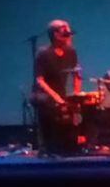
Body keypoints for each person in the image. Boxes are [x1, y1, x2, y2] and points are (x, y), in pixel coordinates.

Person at [33, 19, 83, 155]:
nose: (70, 37)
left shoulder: (71, 52)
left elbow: (77, 74)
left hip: (60, 93)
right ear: (56, 35)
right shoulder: (43, 53)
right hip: (43, 93)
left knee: (80, 105)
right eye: (66, 34)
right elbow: (40, 80)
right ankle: (48, 146)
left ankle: (73, 144)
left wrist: (77, 94)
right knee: (50, 103)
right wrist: (55, 96)